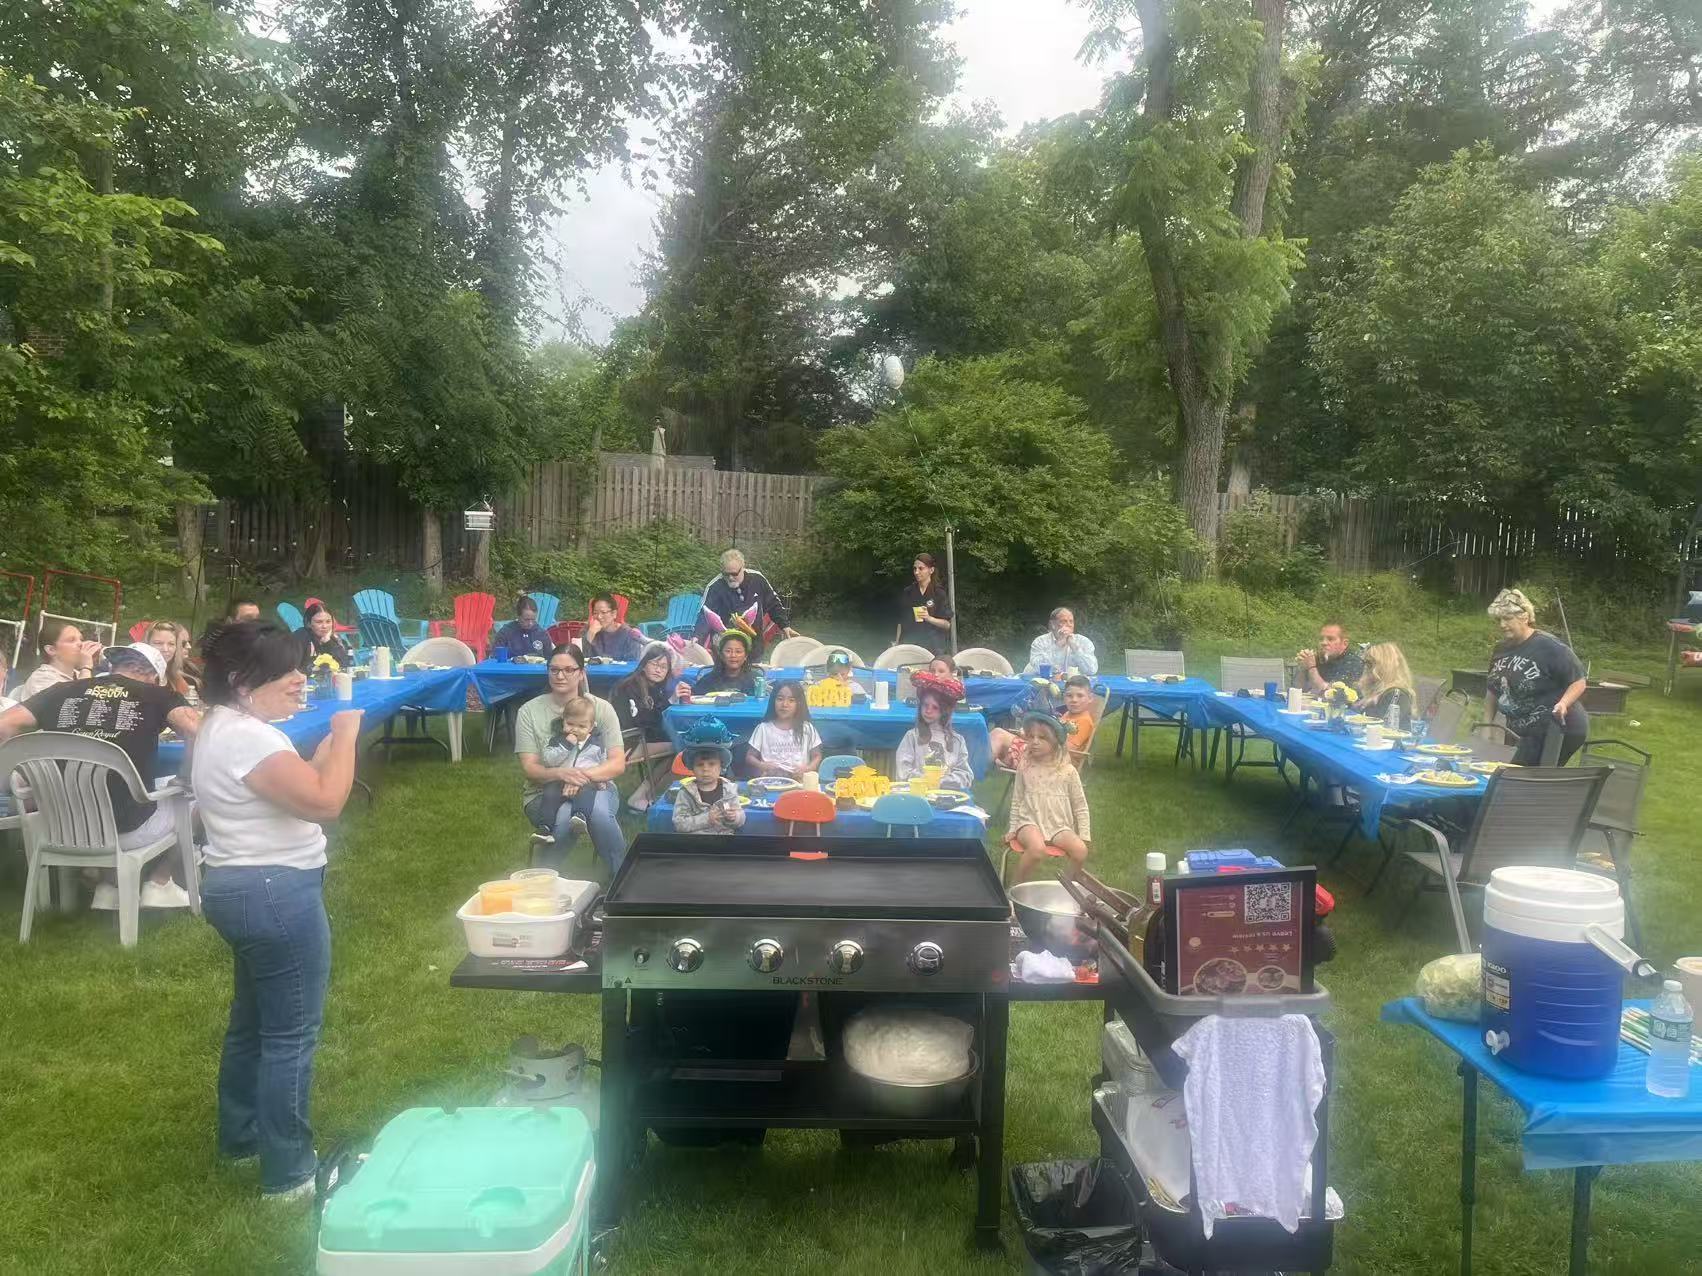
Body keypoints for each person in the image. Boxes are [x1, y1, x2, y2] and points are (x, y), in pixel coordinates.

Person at [192, 621, 361, 1202]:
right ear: (242, 681)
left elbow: (301, 783)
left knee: (252, 1025)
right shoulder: (250, 739)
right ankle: (289, 1175)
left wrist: (327, 751)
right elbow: (327, 802)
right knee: (290, 1033)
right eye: (285, 671)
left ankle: (241, 1141)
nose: (299, 678)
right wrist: (348, 733)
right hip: (274, 893)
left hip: (238, 888)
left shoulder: (224, 726)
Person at [0, 641, 203, 908]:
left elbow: (4, 725)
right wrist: (186, 777)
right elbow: (198, 732)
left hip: (59, 826)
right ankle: (159, 882)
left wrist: (16, 778)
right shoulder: (158, 695)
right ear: (154, 676)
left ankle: (109, 886)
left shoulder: (61, 690)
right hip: (127, 830)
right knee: (199, 794)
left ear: (113, 665)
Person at [516, 643, 628, 874]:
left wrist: (578, 777)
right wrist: (560, 774)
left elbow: (617, 763)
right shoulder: (529, 712)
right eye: (554, 669)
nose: (560, 675)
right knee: (566, 817)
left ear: (581, 673)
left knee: (597, 812)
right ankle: (542, 882)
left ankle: (622, 878)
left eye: (569, 669)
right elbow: (530, 768)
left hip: (597, 785)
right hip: (543, 793)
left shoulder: (601, 709)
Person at [1484, 588, 1589, 765]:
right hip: (1521, 731)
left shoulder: (1549, 646)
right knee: (1509, 776)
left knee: (1522, 779)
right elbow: (1492, 691)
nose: (1502, 624)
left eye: (1508, 618)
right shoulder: (1500, 649)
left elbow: (1579, 681)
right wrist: (1486, 727)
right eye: (1499, 619)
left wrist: (1563, 703)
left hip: (1558, 727)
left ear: (1524, 617)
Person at [1007, 711, 1092, 882]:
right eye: (1031, 737)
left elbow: (1080, 806)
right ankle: (1016, 889)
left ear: (1055, 742)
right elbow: (1017, 799)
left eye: (1042, 737)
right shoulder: (1025, 766)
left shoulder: (1068, 772)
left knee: (1080, 850)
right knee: (1037, 849)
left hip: (1059, 827)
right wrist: (1012, 829)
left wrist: (1084, 834)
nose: (1035, 741)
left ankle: (1067, 886)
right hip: (1029, 822)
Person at [610, 641, 678, 811]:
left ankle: (646, 796)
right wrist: (670, 701)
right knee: (680, 748)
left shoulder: (653, 687)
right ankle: (641, 797)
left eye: (663, 667)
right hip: (625, 742)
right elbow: (642, 721)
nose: (658, 670)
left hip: (637, 738)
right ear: (643, 665)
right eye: (654, 664)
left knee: (678, 743)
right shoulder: (630, 687)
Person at [696, 548, 797, 659]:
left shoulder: (758, 579)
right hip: (725, 649)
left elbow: (773, 603)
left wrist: (785, 625)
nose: (730, 578)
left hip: (753, 645)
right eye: (726, 574)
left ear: (743, 567)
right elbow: (705, 615)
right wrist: (697, 636)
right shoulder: (715, 586)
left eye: (734, 574)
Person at [531, 696, 606, 840]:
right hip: (560, 780)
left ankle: (579, 817)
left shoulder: (596, 743)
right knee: (549, 795)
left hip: (585, 780)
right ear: (563, 720)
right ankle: (544, 828)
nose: (575, 730)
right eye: (570, 724)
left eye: (582, 726)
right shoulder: (557, 740)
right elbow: (549, 761)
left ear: (591, 727)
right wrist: (566, 745)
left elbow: (603, 762)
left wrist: (600, 779)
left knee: (587, 793)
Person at [896, 671, 975, 791]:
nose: (928, 711)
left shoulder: (956, 741)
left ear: (944, 711)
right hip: (917, 795)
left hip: (947, 795)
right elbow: (903, 772)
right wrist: (925, 781)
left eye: (935, 707)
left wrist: (942, 782)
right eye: (925, 705)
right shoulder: (912, 737)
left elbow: (965, 775)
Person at [672, 718, 746, 835]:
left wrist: (735, 817)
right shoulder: (686, 793)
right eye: (700, 765)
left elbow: (740, 817)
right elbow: (679, 823)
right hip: (697, 845)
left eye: (711, 764)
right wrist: (706, 819)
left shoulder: (729, 789)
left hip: (725, 842)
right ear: (692, 767)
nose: (705, 769)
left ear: (721, 766)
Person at [746, 681, 823, 778]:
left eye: (791, 700)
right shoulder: (763, 728)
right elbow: (750, 757)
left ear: (799, 703)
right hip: (770, 781)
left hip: (798, 781)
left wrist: (806, 769)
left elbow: (817, 756)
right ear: (773, 701)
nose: (785, 704)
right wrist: (762, 765)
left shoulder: (807, 728)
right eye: (780, 699)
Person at [18, 620, 101, 699]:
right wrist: (86, 668)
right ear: (51, 650)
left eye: (81, 639)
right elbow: (75, 706)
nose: (80, 644)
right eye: (71, 640)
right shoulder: (41, 679)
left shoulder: (79, 675)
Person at [896, 553, 953, 656]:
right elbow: (901, 622)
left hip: (933, 648)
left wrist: (928, 618)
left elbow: (947, 624)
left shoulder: (938, 593)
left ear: (931, 570)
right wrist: (897, 645)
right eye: (914, 569)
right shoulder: (908, 592)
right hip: (911, 646)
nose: (916, 572)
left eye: (921, 568)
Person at [1023, 608, 1098, 676]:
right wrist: (1058, 645)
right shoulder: (1040, 642)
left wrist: (1075, 647)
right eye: (1064, 621)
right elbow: (1038, 667)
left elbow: (1092, 670)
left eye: (1071, 621)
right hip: (1042, 684)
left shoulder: (1084, 642)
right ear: (1053, 624)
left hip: (1072, 686)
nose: (1069, 625)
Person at [1358, 643, 1417, 729]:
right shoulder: (1375, 689)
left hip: (1390, 741)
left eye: (1370, 663)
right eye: (1365, 663)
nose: (1366, 667)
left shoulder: (1396, 693)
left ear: (1384, 667)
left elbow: (1384, 726)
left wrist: (1367, 706)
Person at [1297, 622, 1363, 692]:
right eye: (1321, 639)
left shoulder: (1354, 663)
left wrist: (1311, 668)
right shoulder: (1317, 659)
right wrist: (1303, 668)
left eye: (1330, 639)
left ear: (1344, 644)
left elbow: (1332, 694)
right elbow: (1297, 689)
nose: (1324, 643)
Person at [694, 630, 761, 696]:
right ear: (721, 654)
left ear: (746, 656)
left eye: (738, 651)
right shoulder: (707, 681)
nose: (733, 655)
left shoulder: (756, 681)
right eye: (728, 651)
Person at [584, 593, 647, 662]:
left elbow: (632, 665)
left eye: (603, 612)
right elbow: (582, 662)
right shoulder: (589, 630)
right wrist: (590, 636)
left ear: (614, 614)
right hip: (593, 672)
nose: (599, 617)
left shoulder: (629, 635)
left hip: (621, 672)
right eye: (595, 613)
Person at [148, 620, 198, 697]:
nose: (165, 649)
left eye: (171, 644)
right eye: (158, 643)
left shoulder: (177, 678)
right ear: (147, 644)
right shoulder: (136, 675)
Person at [493, 595, 551, 660]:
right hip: (511, 669)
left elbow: (550, 659)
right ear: (518, 616)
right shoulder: (505, 633)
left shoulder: (541, 634)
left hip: (535, 669)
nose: (530, 623)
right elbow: (495, 657)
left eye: (533, 619)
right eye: (526, 619)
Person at [300, 604, 353, 670]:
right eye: (319, 622)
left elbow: (345, 666)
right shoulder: (302, 639)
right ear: (308, 623)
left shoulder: (336, 641)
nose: (324, 626)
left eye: (328, 621)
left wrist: (328, 642)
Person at [1059, 674, 1098, 762]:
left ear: (1090, 698)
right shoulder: (1067, 714)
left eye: (1080, 696)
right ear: (1064, 697)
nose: (1074, 700)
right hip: (1056, 754)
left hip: (1066, 761)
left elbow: (1070, 747)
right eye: (1069, 696)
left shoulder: (1084, 721)